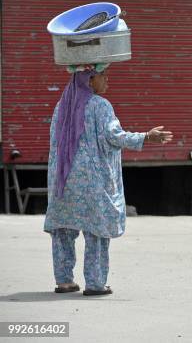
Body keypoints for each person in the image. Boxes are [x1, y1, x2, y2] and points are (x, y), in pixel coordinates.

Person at [44, 63, 173, 296]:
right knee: (97, 231)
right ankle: (95, 283)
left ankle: (64, 281)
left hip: (62, 181)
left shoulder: (62, 107)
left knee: (63, 229)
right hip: (92, 182)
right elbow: (114, 137)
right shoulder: (99, 105)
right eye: (104, 76)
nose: (107, 81)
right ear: (89, 80)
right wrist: (145, 137)